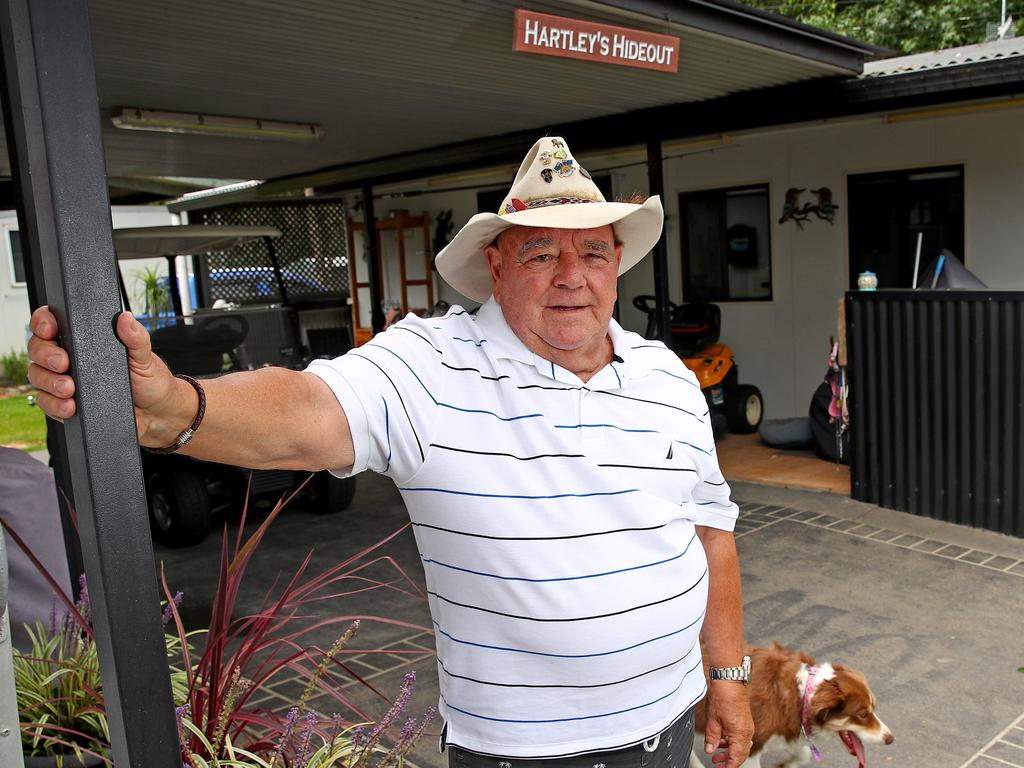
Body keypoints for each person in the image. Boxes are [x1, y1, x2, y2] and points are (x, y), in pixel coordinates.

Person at [28, 137, 754, 767]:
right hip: (527, 754)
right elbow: (310, 410)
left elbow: (711, 535)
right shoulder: (430, 365)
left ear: (617, 262)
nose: (572, 274)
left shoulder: (665, 374)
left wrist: (728, 677)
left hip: (669, 724)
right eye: (541, 252)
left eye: (592, 251)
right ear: (496, 266)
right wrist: (175, 410)